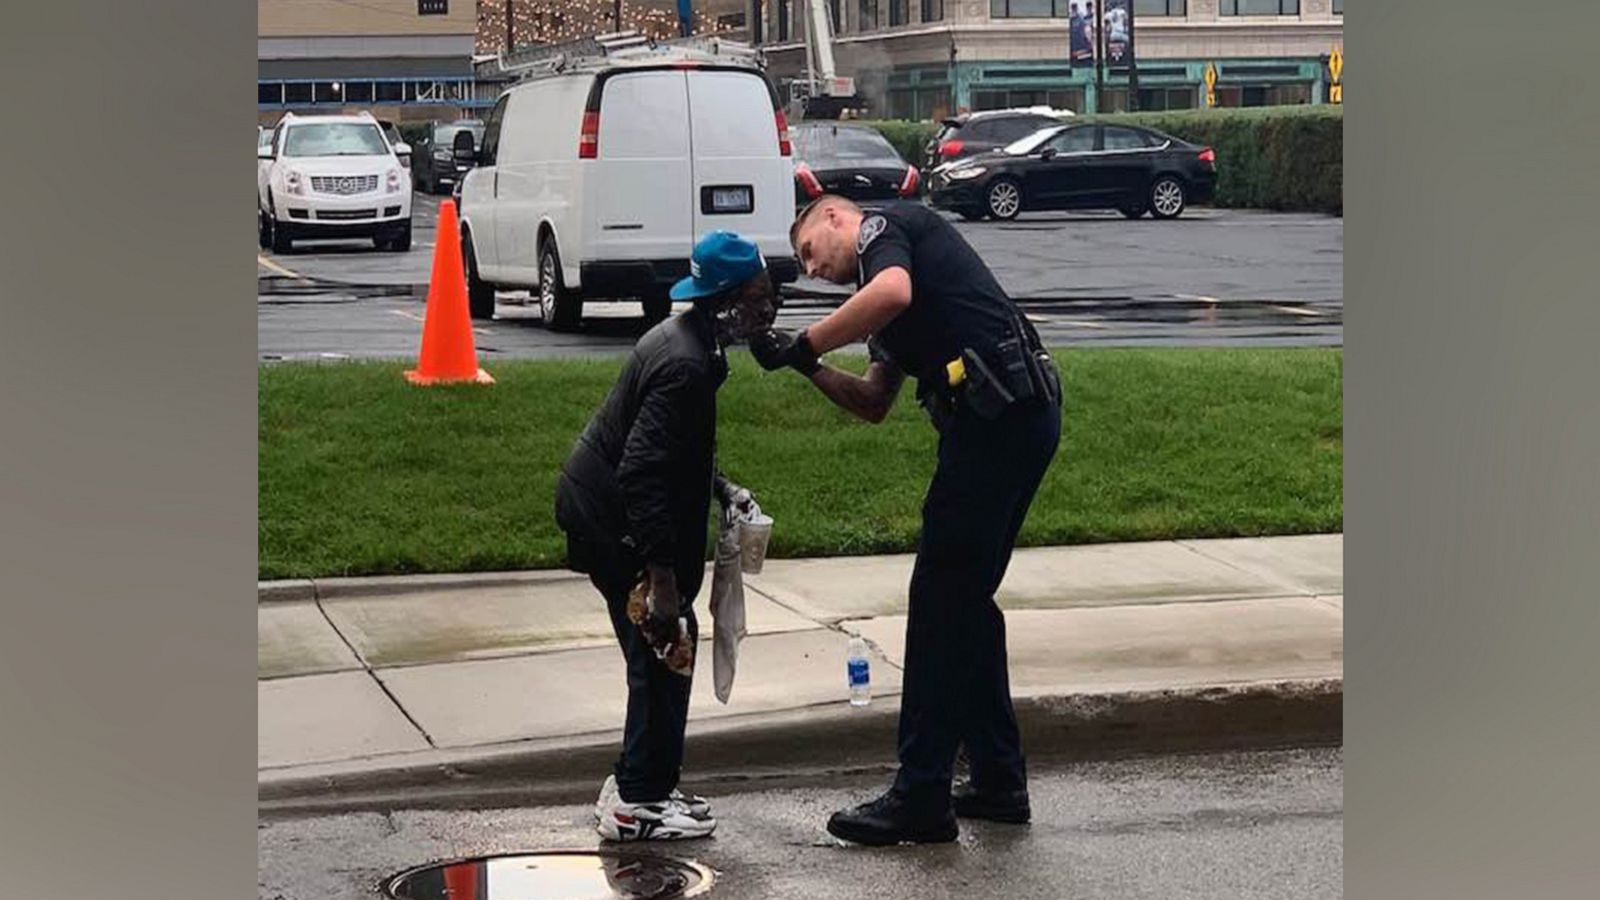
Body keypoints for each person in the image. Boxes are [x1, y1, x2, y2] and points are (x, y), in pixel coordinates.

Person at [752, 196, 1062, 846]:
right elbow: (872, 402)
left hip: (998, 424)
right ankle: (999, 782)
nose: (814, 269)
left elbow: (891, 290)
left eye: (811, 250)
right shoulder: (885, 308)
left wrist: (808, 337)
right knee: (966, 603)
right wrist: (806, 366)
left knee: (940, 601)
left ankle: (921, 794)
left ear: (836, 218)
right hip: (1008, 421)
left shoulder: (887, 231)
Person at [555, 231, 776, 842]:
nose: (767, 308)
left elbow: (673, 449)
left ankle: (640, 779)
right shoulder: (685, 363)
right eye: (758, 297)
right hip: (611, 520)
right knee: (665, 639)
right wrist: (661, 578)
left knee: (663, 645)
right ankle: (637, 803)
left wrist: (722, 488)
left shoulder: (693, 342)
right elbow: (642, 471)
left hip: (602, 504)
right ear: (724, 299)